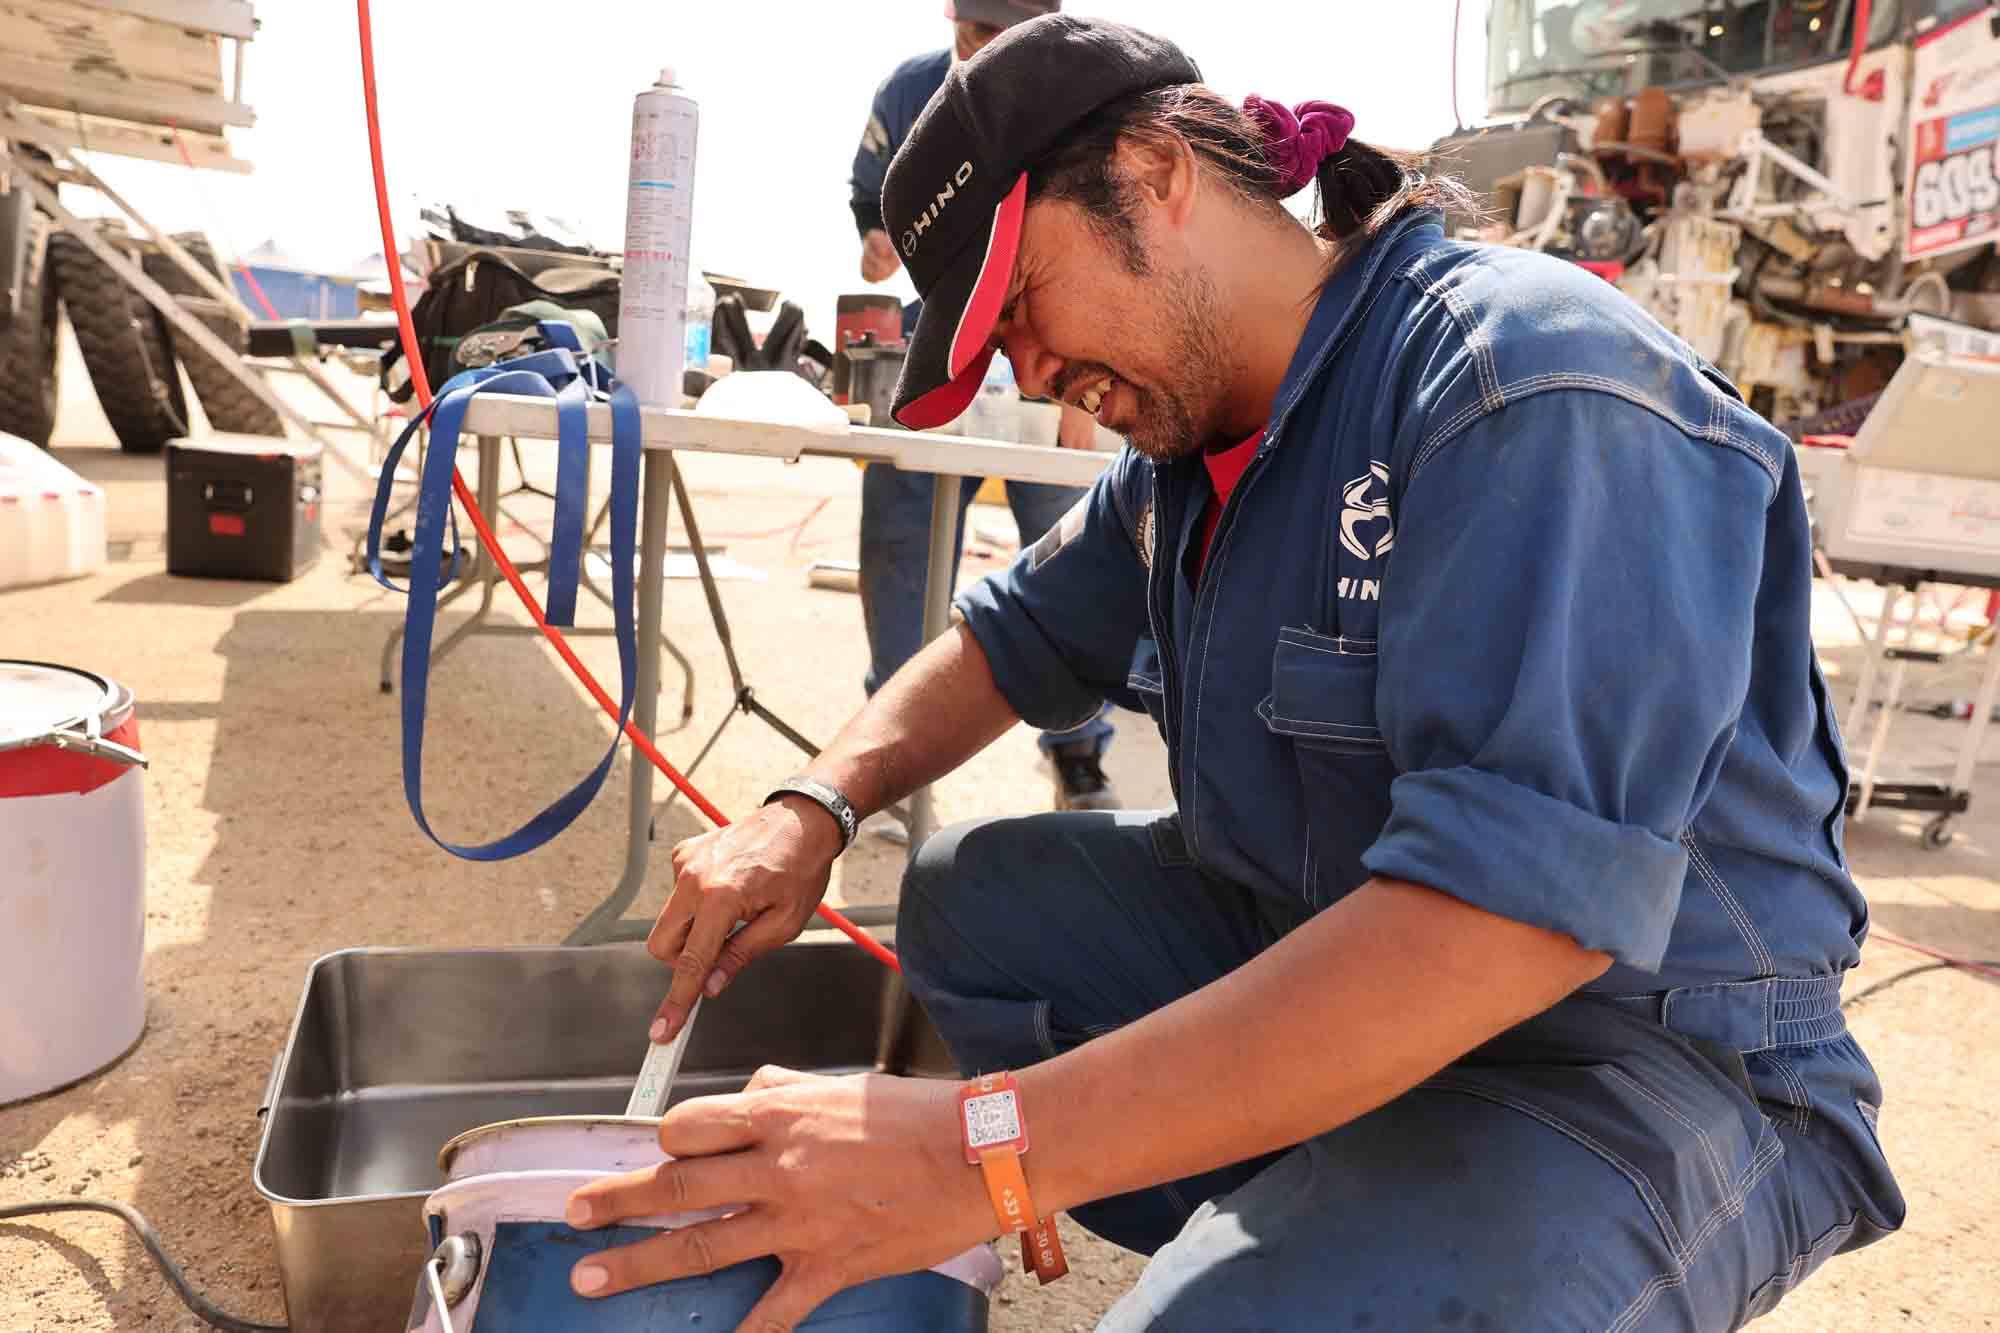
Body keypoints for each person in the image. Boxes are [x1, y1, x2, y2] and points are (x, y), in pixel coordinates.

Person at [567, 16, 1905, 1331]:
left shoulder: (1525, 386)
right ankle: (1335, 1208)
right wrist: (808, 809)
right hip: (1337, 949)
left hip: (1632, 1050)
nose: (1034, 375)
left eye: (1022, 305)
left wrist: (979, 1149)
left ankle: (1399, 1245)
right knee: (970, 900)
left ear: (1159, 173)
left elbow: (1502, 926)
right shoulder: (1187, 463)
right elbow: (1005, 639)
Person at [848, 0, 1120, 818]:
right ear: (951, 18)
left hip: (1055, 362)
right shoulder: (909, 92)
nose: (990, 56)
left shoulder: (1093, 93)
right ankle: (887, 763)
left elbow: (1118, 250)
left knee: (1076, 561)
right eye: (975, 38)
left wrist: (1091, 398)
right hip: (942, 346)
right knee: (899, 549)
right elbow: (869, 192)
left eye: (1013, 40)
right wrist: (872, 234)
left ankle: (1077, 754)